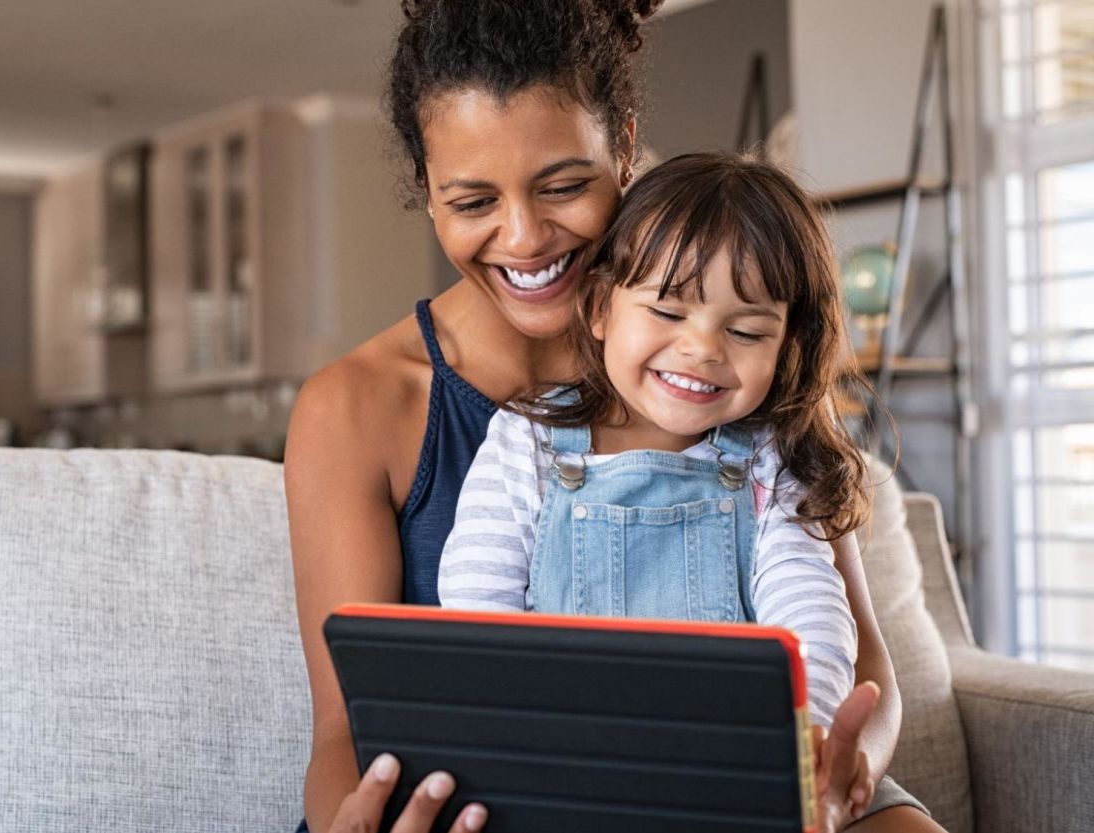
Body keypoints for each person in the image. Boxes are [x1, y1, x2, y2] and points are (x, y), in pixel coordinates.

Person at [284, 2, 944, 832]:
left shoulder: (727, 375)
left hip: (761, 770)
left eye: (564, 185)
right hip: (508, 789)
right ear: (426, 189)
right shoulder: (357, 405)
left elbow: (859, 657)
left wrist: (839, 764)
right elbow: (344, 731)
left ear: (624, 146)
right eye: (472, 199)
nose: (524, 237)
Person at [438, 151, 906, 827]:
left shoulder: (772, 458)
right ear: (600, 307)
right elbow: (476, 614)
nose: (702, 349)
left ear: (784, 346)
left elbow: (813, 613)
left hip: (733, 772)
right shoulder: (526, 440)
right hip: (568, 769)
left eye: (746, 330)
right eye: (667, 311)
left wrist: (811, 735)